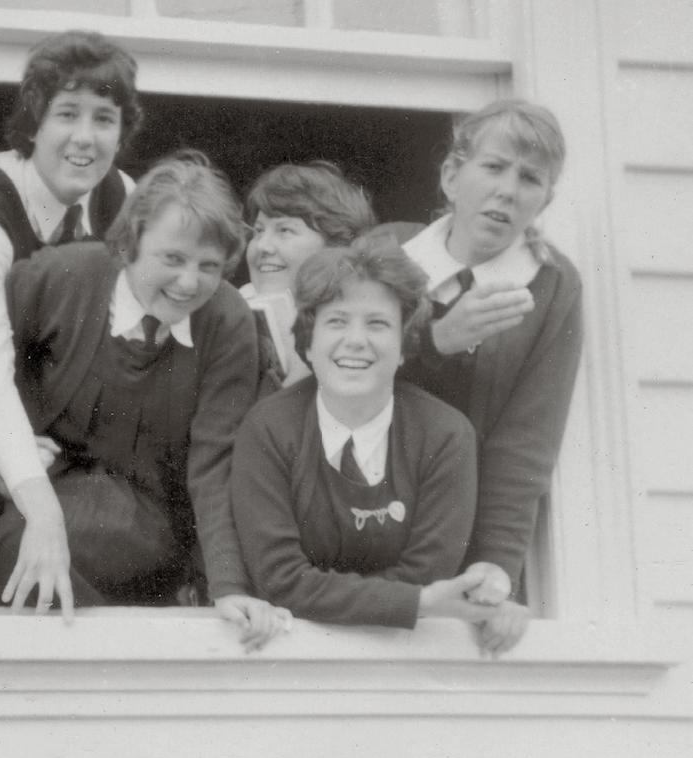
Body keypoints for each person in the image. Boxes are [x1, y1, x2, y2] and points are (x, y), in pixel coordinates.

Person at [0, 151, 291, 651]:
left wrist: (228, 586)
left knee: (16, 551)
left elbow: (214, 464)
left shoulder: (225, 321)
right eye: (172, 259)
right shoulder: (61, 277)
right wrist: (5, 453)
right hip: (32, 488)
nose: (189, 283)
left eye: (209, 266)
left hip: (149, 518)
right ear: (130, 242)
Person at [232, 234, 512, 647]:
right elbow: (280, 579)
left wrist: (408, 600)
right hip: (286, 648)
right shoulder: (268, 429)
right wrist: (413, 602)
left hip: (403, 654)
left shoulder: (446, 436)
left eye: (377, 324)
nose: (356, 340)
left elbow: (427, 577)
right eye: (336, 321)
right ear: (308, 341)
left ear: (403, 347)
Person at [396, 99, 583, 653]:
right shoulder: (388, 254)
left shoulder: (551, 285)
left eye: (530, 179)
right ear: (452, 176)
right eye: (494, 167)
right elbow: (332, 381)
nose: (508, 191)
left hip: (457, 536)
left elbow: (527, 440)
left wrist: (496, 567)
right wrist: (434, 341)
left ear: (544, 200)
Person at [0, 30, 142, 608]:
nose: (85, 138)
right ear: (34, 122)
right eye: (67, 114)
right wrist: (39, 506)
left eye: (104, 118)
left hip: (71, 446)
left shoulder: (124, 201)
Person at [242, 162, 376, 390]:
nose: (263, 245)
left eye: (285, 230)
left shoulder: (360, 331)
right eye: (259, 230)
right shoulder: (227, 309)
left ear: (334, 246)